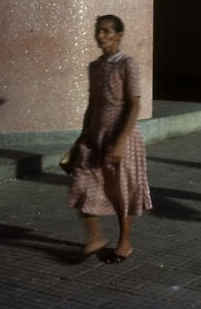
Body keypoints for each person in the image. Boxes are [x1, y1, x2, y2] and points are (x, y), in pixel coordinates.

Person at [67, 15, 152, 263]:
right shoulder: (95, 67)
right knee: (80, 181)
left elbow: (134, 105)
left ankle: (124, 242)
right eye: (98, 31)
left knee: (121, 190)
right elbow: (92, 105)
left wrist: (121, 141)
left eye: (106, 31)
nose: (100, 36)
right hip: (94, 134)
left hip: (121, 134)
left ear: (119, 35)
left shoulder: (128, 64)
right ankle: (95, 237)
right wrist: (82, 138)